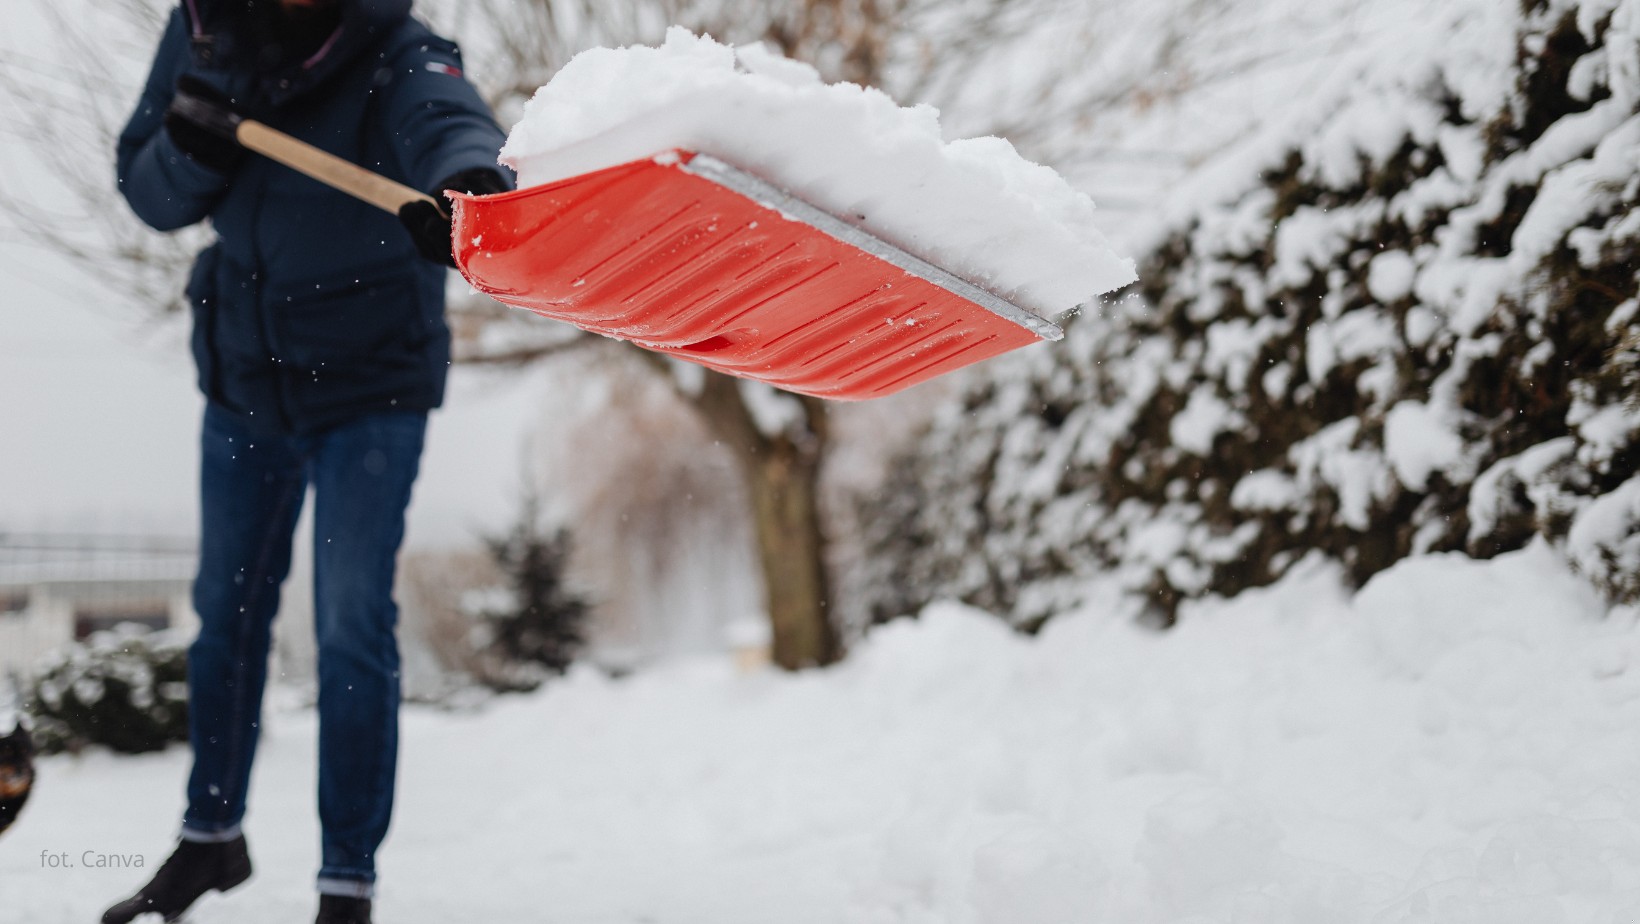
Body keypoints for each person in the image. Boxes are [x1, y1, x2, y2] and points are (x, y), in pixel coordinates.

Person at [103, 1, 511, 922]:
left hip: (371, 386)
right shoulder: (204, 28)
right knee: (226, 615)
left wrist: (467, 184)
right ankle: (212, 838)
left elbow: (447, 118)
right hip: (246, 374)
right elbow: (150, 194)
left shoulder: (392, 40)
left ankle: (346, 880)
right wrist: (189, 152)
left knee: (350, 623)